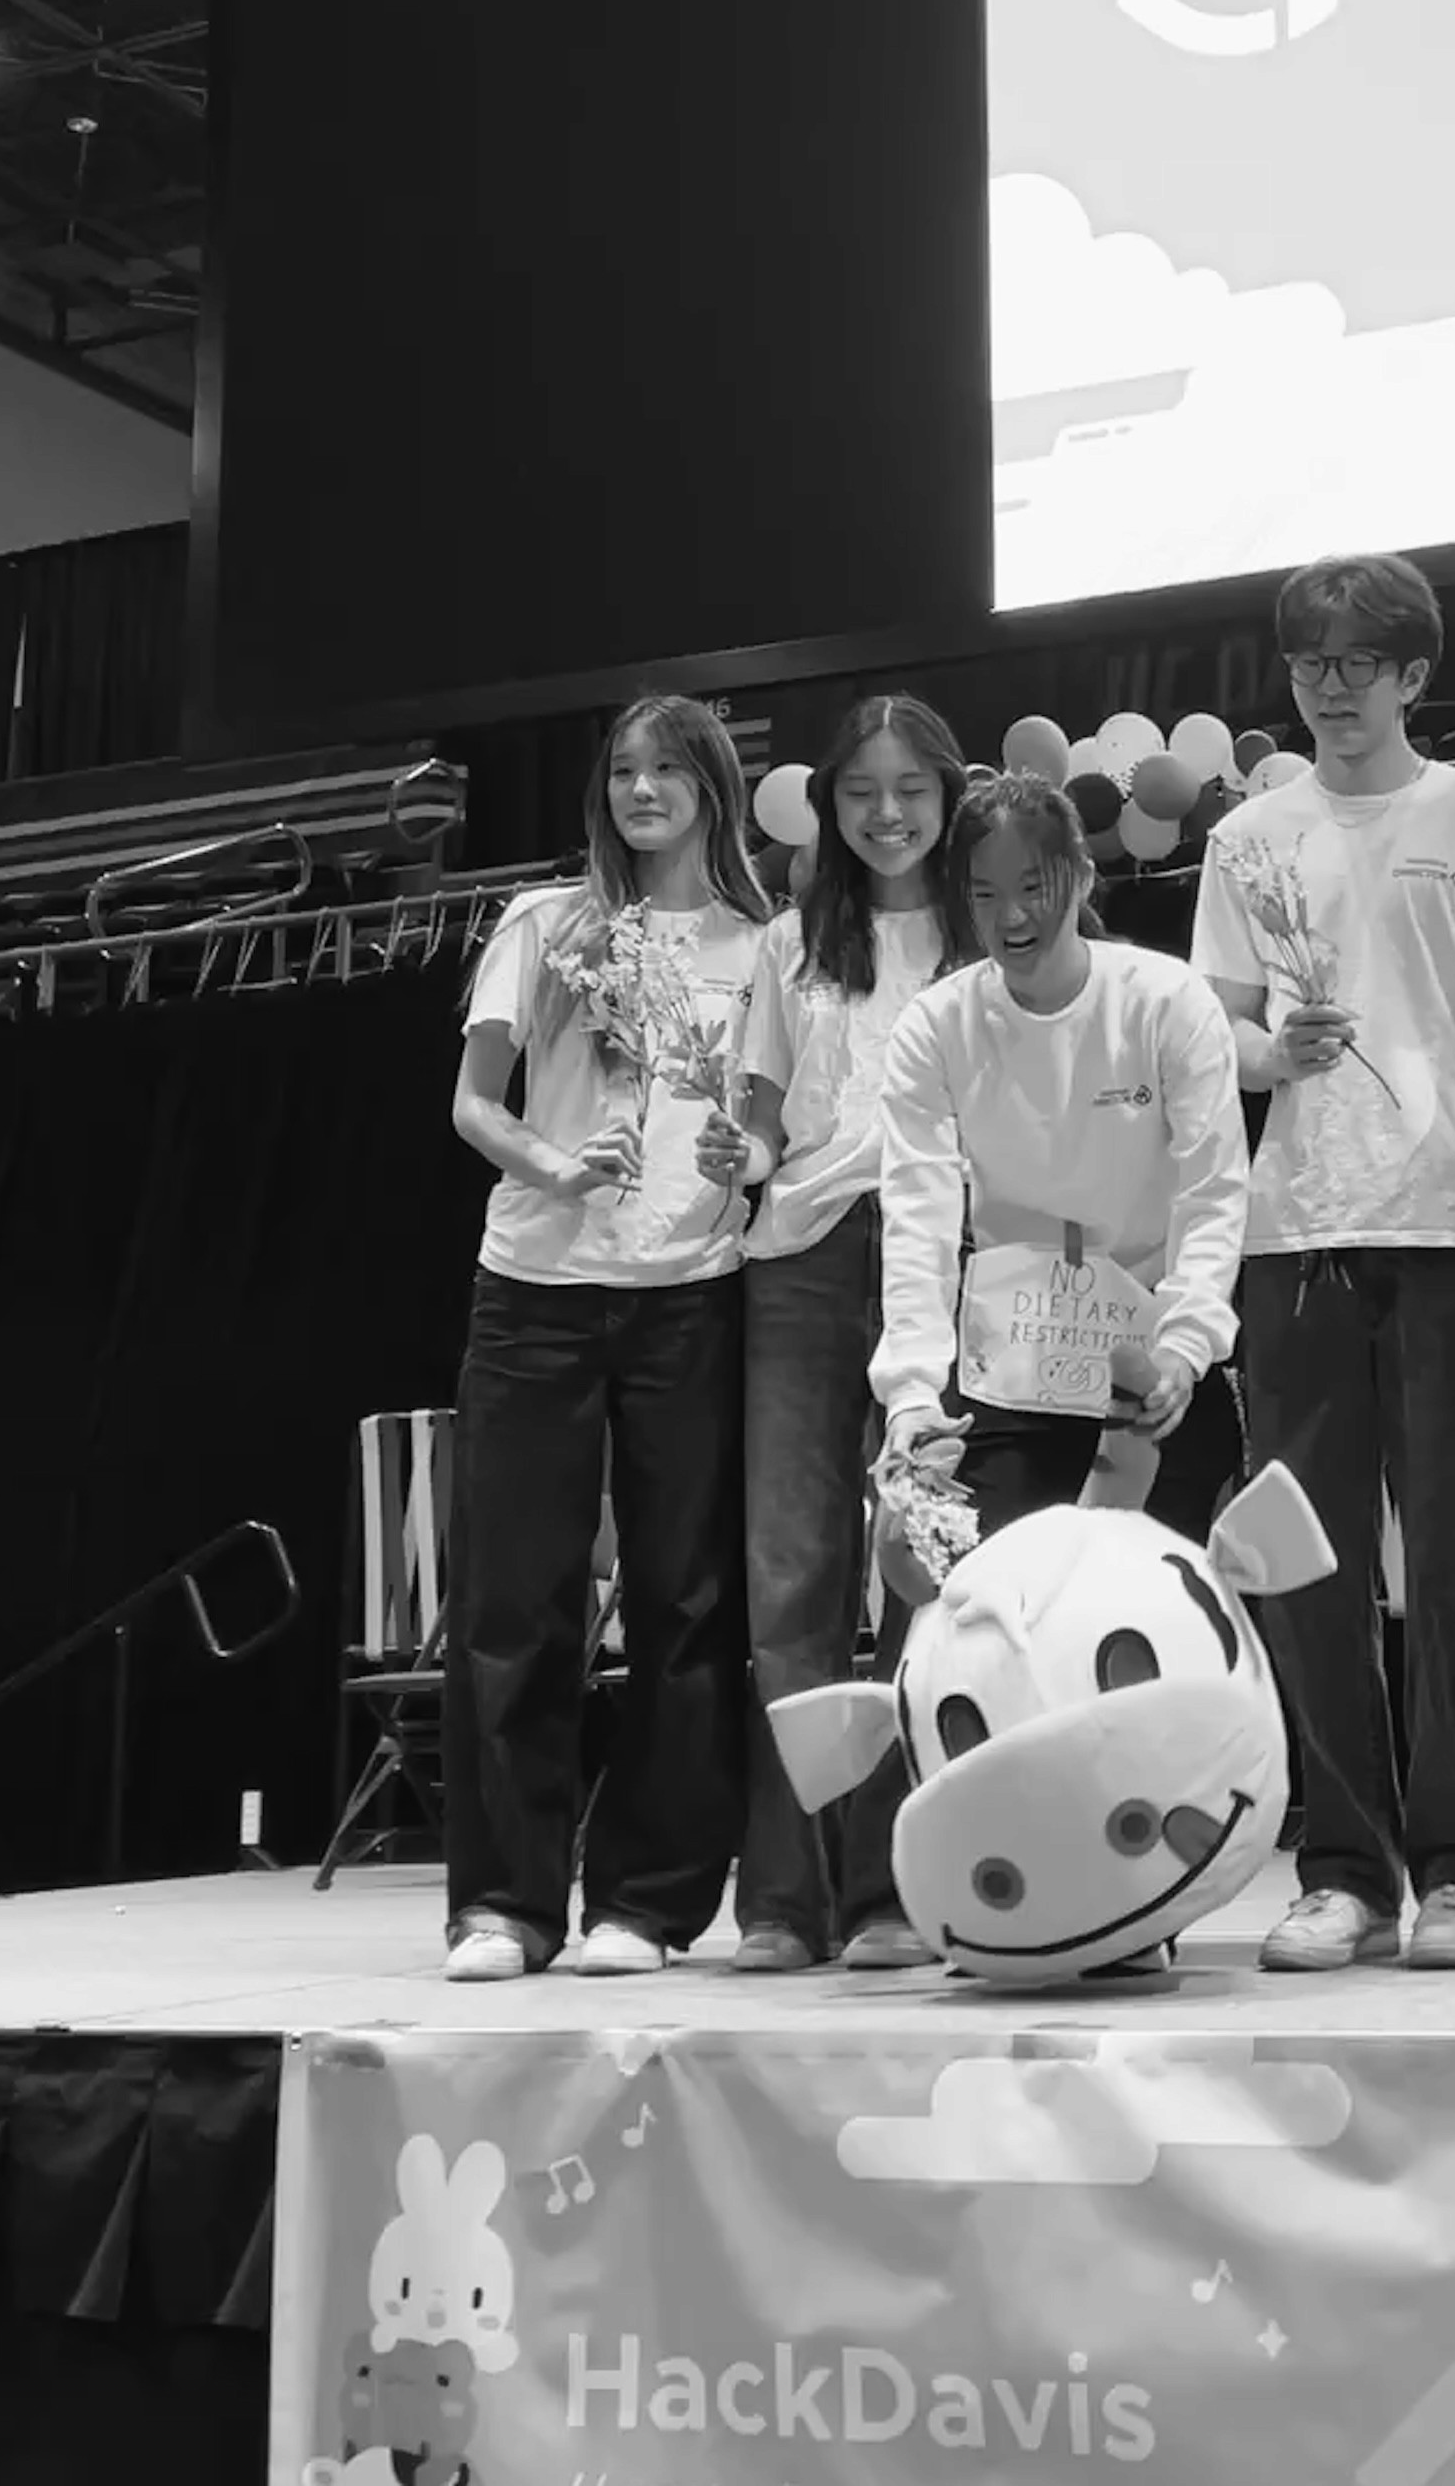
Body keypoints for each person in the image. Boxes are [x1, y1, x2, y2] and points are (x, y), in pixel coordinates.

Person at [1190, 555, 1455, 1975]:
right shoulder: (1248, 837)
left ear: (1413, 674)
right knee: (1308, 1573)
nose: (1330, 688)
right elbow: (1212, 1033)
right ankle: (1342, 1871)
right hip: (1297, 1237)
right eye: (1309, 662)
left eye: (1358, 662)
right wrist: (1274, 1052)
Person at [438, 693, 774, 1982]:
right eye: (624, 769)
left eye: (667, 769)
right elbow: (475, 1102)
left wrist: (749, 1158)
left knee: (688, 1605)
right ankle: (503, 1906)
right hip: (535, 1287)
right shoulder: (547, 923)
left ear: (711, 788)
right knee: (513, 1600)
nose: (642, 790)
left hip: (692, 1289)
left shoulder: (762, 945)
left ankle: (647, 1904)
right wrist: (557, 1165)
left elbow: (769, 1124)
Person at [713, 695, 975, 1975]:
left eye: (911, 789)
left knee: (928, 1568)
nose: (887, 814)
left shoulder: (993, 928)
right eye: (862, 792)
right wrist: (740, 1153)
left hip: (954, 1256)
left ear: (950, 795)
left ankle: (892, 1887)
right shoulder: (790, 945)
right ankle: (782, 1896)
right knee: (793, 1576)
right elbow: (762, 1122)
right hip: (806, 1260)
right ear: (828, 805)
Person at [874, 767, 1255, 1563]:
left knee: (1142, 1597)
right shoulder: (935, 1026)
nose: (1009, 918)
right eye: (983, 894)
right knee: (981, 1589)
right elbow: (918, 1216)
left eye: (1032, 887)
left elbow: (1213, 1189)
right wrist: (911, 1392)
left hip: (1149, 1365)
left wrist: (1184, 1348)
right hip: (1009, 1368)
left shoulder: (1168, 1001)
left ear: (1080, 876)